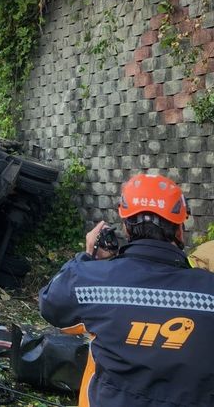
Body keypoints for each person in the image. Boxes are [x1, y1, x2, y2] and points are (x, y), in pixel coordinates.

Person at [39, 173, 214, 407]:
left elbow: (50, 304)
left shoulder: (91, 281)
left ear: (126, 227)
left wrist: (88, 257)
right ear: (179, 230)